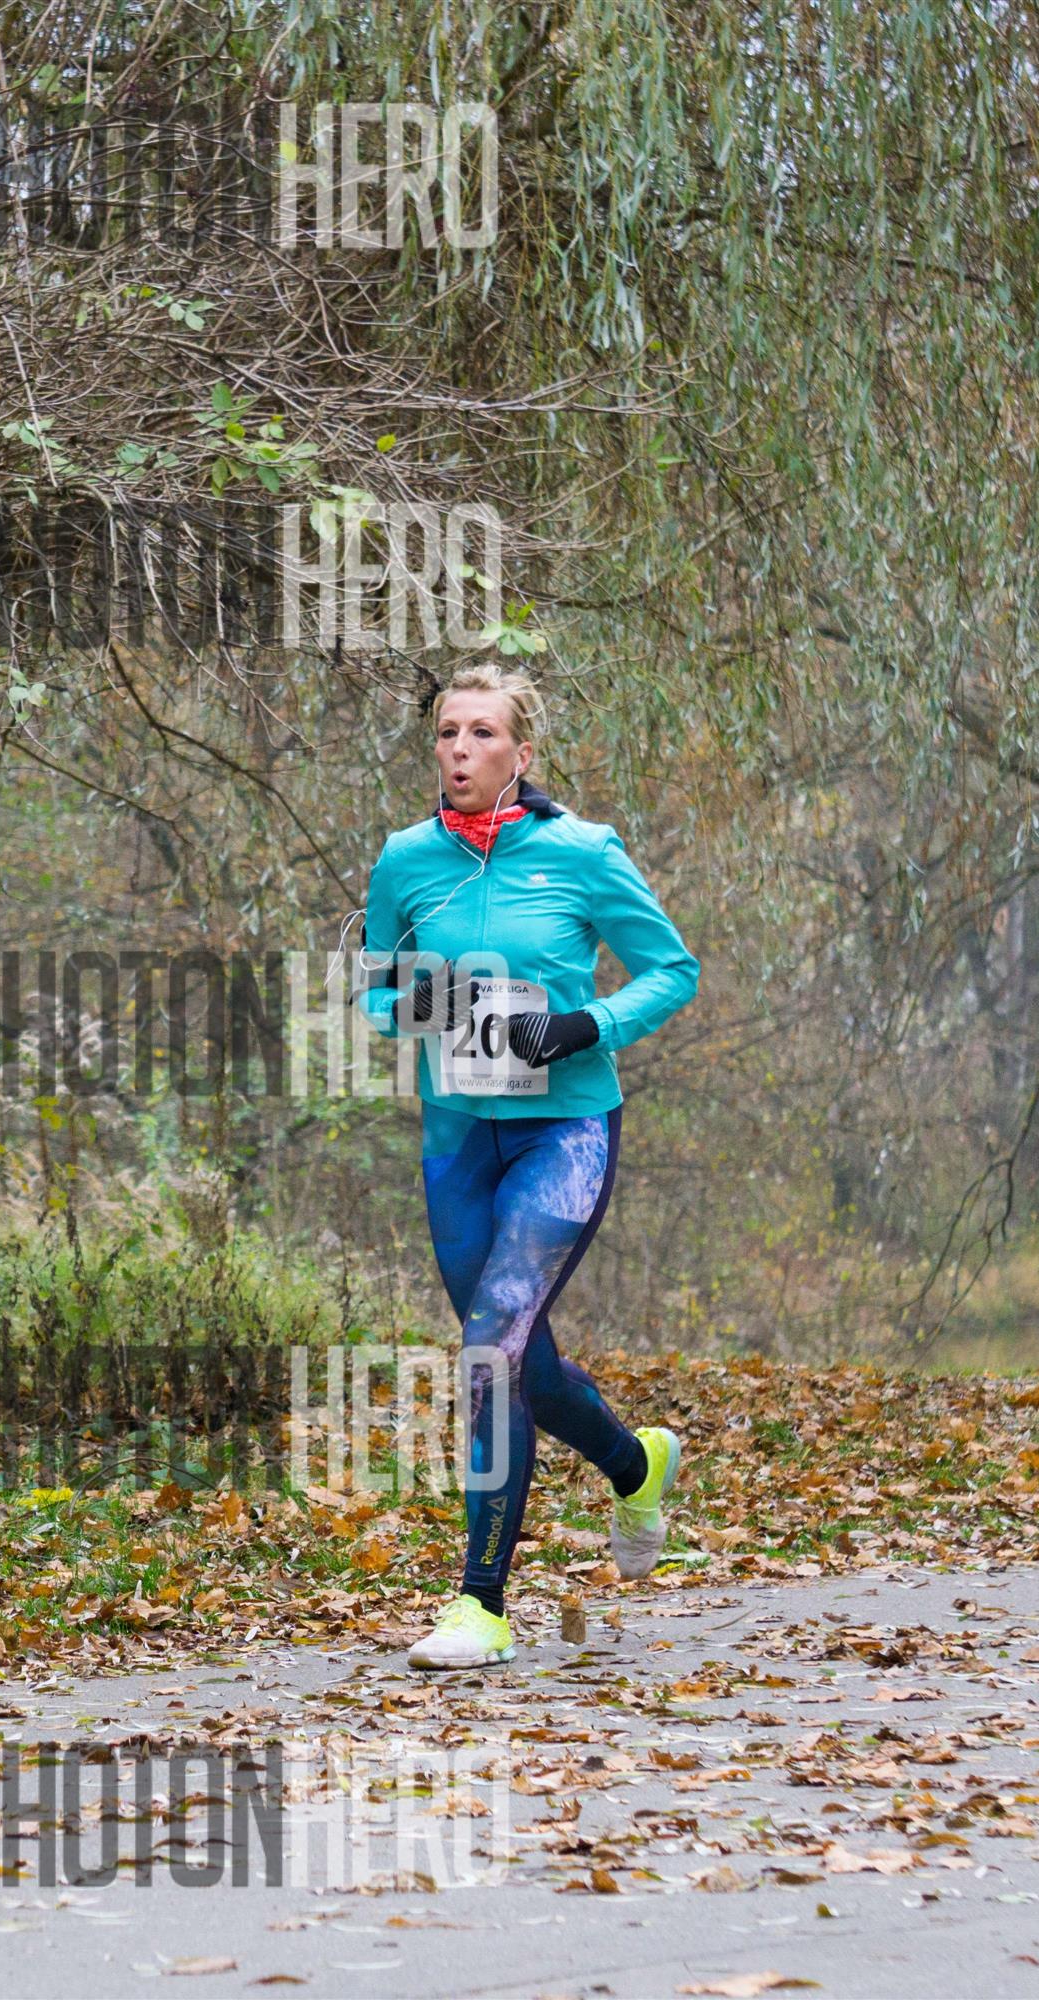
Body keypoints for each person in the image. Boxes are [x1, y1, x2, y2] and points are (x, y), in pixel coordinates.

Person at [357, 663, 701, 1669]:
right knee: (512, 1353)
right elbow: (375, 994)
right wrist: (428, 1005)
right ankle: (636, 1463)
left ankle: (481, 1603)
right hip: (460, 1135)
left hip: (565, 1130)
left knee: (490, 1344)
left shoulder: (583, 852)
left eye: (482, 732)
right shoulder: (405, 860)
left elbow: (672, 970)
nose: (459, 749)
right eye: (446, 732)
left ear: (521, 753)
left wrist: (582, 1025)